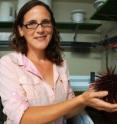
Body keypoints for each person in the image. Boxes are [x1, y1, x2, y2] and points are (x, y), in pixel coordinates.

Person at [0, 1, 117, 124]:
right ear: (20, 30)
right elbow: (23, 118)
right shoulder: (8, 64)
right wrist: (81, 99)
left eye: (46, 22)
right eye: (31, 23)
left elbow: (68, 112)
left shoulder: (60, 64)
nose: (40, 29)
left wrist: (88, 98)